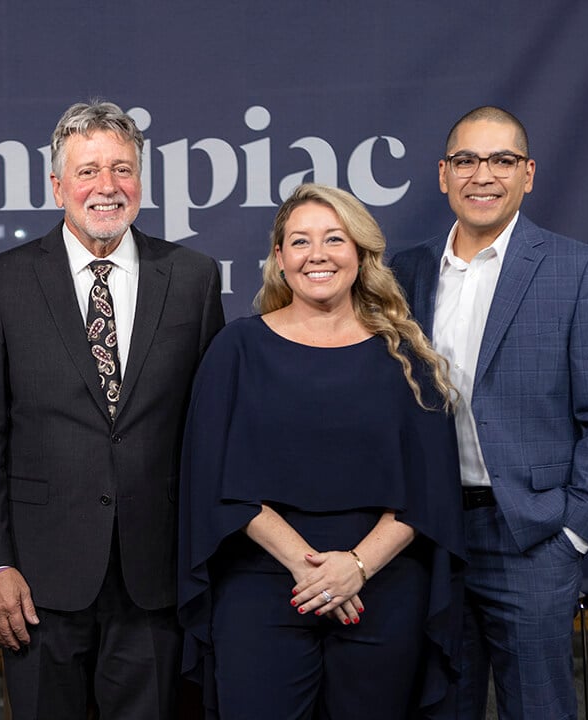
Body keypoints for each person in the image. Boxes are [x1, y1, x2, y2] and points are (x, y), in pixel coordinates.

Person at [0, 99, 225, 719]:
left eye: (122, 169)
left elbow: (207, 433)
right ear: (57, 186)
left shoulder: (192, 278)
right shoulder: (2, 282)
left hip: (155, 575)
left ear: (141, 181)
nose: (107, 187)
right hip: (37, 581)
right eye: (88, 171)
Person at [178, 183, 465, 719]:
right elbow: (211, 478)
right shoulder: (236, 349)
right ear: (280, 259)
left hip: (382, 587)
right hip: (263, 585)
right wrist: (312, 571)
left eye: (334, 239)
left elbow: (431, 492)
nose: (318, 255)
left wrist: (355, 567)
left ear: (360, 252)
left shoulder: (406, 355)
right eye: (300, 241)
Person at [391, 106, 588, 720]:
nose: (483, 175)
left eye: (502, 160)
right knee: (440, 704)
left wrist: (573, 529)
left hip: (532, 536)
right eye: (467, 160)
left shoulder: (576, 269)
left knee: (538, 707)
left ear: (528, 174)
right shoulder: (406, 271)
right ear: (442, 175)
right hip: (432, 535)